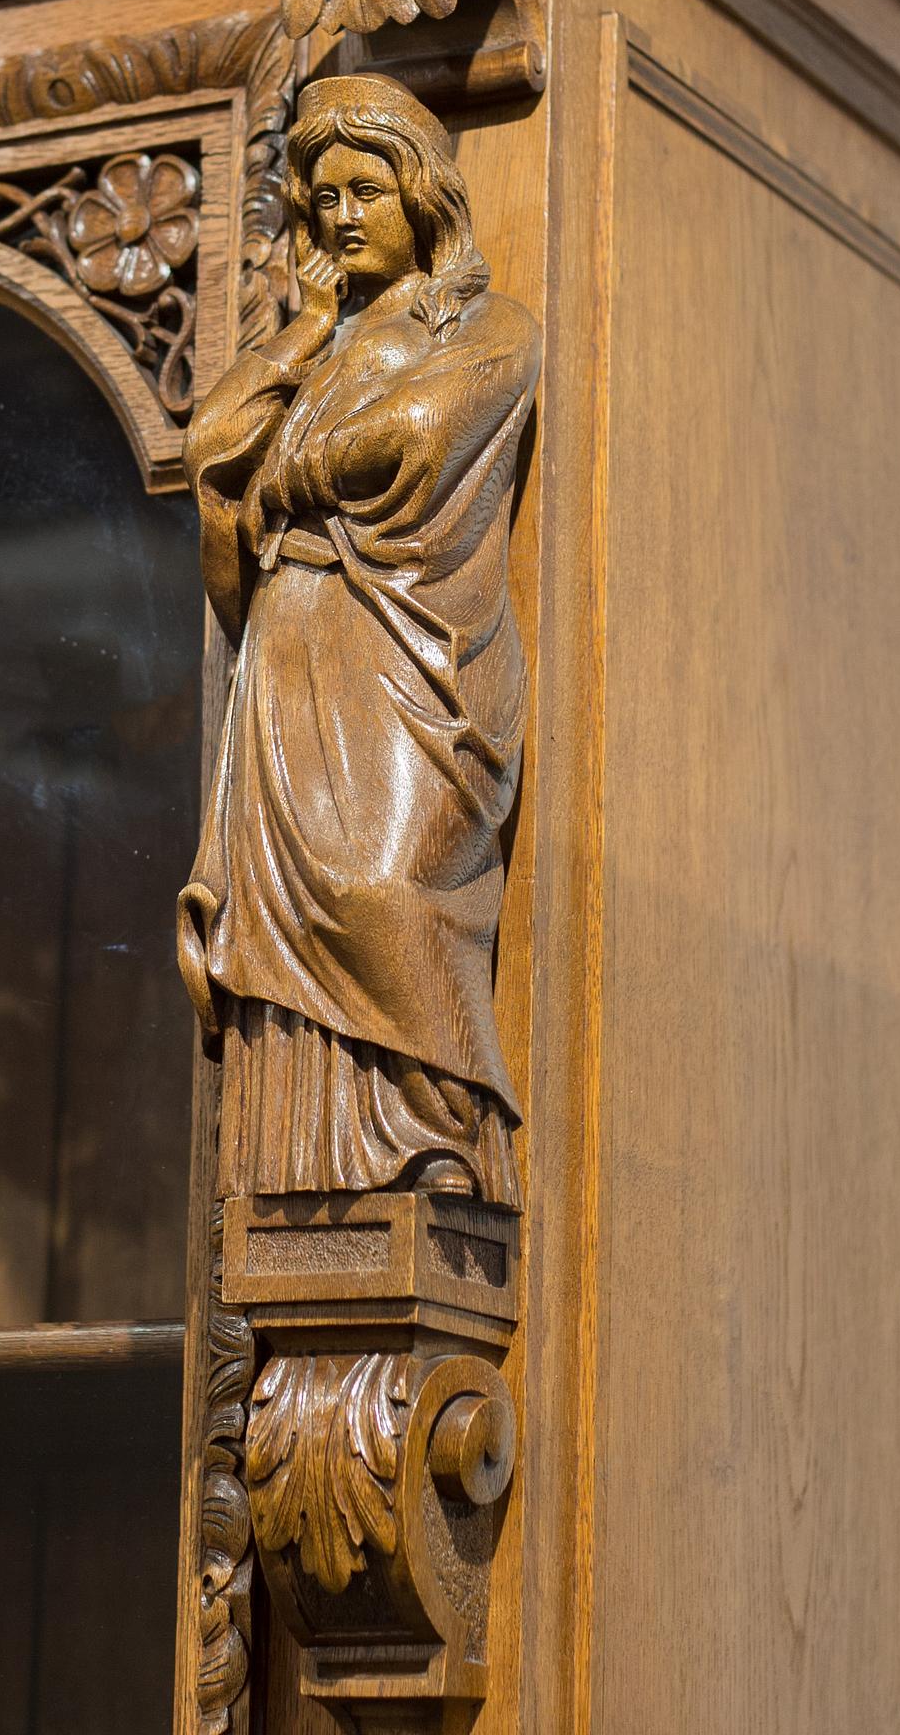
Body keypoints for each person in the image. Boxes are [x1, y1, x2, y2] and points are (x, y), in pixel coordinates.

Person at [177, 73, 540, 1207]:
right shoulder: (324, 334)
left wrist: (288, 467)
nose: (340, 215)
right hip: (288, 643)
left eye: (365, 189)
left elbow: (415, 441)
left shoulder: (488, 328)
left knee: (380, 887)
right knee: (281, 922)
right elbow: (212, 445)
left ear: (421, 194)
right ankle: (310, 1179)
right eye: (321, 195)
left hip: (406, 646)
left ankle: (442, 1144)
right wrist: (309, 332)